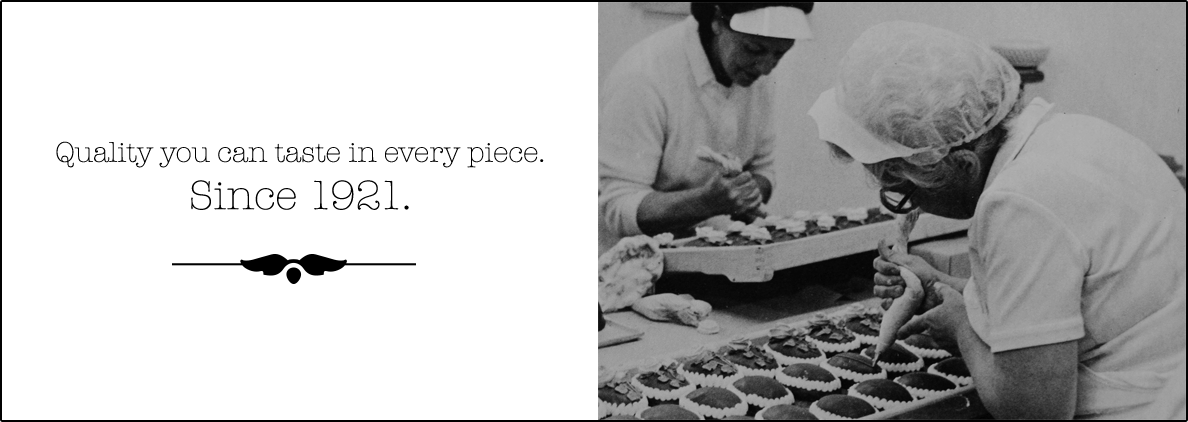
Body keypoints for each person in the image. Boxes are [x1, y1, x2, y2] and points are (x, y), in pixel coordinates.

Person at [809, 21, 1186, 419]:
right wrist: (942, 286)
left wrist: (961, 328)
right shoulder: (1070, 134)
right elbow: (1061, 303)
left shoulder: (1018, 202)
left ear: (963, 165)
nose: (912, 206)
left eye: (908, 191)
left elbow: (1034, 411)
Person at [599, 3, 814, 254]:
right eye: (753, 49)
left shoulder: (755, 72)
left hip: (707, 252)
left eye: (779, 54)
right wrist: (707, 202)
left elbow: (763, 168)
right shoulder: (643, 77)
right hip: (627, 264)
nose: (765, 68)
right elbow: (618, 205)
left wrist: (747, 192)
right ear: (717, 21)